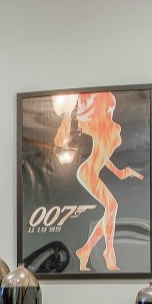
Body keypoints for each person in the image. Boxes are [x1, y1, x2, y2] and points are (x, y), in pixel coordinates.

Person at [55, 91, 141, 273]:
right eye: (107, 106)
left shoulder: (108, 129)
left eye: (110, 105)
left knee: (110, 209)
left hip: (91, 171)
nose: (109, 108)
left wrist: (120, 172)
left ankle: (86, 251)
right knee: (112, 207)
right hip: (87, 172)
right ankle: (108, 251)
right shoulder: (100, 129)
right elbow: (100, 155)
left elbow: (103, 157)